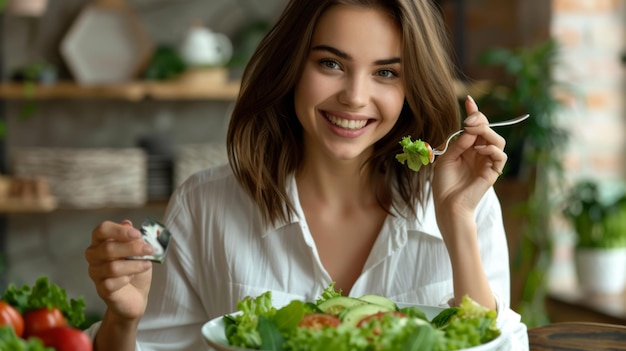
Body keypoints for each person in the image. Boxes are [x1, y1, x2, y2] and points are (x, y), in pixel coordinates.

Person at [84, 0, 517, 350]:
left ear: (412, 87)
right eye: (331, 64)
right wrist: (124, 318)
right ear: (292, 67)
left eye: (386, 72)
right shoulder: (202, 203)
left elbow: (498, 346)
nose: (354, 97)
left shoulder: (465, 201)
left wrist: (457, 220)